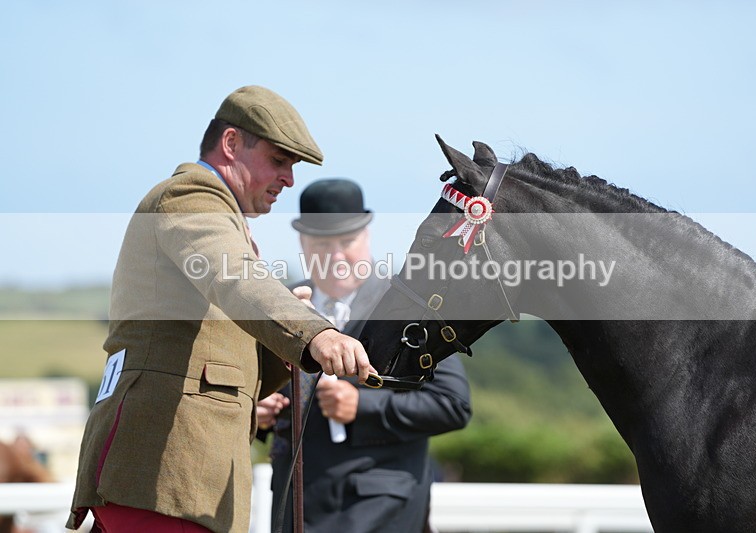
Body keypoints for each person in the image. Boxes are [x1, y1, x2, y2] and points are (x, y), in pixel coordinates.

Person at [66, 86, 374, 533]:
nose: (289, 179)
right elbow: (236, 279)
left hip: (168, 478)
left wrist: (281, 339)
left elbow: (227, 343)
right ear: (231, 144)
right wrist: (316, 333)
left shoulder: (223, 219)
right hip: (164, 474)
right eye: (279, 159)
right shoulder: (192, 196)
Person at [256, 179, 472, 533]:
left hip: (380, 508)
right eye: (323, 245)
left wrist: (362, 407)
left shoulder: (407, 307)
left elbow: (453, 405)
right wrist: (257, 412)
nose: (336, 256)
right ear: (303, 243)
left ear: (367, 236)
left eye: (346, 242)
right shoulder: (285, 304)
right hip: (295, 506)